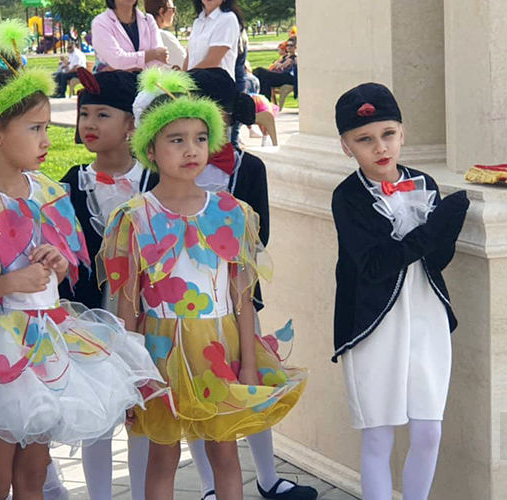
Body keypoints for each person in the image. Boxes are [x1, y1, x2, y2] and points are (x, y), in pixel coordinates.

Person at [0, 17, 161, 498]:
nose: (46, 138)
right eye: (35, 128)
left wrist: (56, 263)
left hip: (47, 346)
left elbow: (59, 272)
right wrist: (7, 284)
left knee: (33, 474)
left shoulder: (49, 195)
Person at [100, 67, 307, 499]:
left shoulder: (231, 212)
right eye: (176, 140)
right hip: (160, 351)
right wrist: (131, 371)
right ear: (150, 149)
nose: (191, 149)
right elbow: (127, 303)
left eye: (199, 138)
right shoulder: (135, 217)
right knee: (163, 455)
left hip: (219, 346)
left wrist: (247, 362)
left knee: (225, 451)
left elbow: (242, 297)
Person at [331, 83, 470, 500]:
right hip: (372, 323)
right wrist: (432, 229)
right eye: (365, 139)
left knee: (428, 432)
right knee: (379, 436)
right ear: (346, 146)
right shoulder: (348, 197)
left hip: (426, 314)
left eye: (388, 134)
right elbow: (375, 266)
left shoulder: (424, 182)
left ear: (402, 133)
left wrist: (446, 230)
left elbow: (436, 259)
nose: (380, 147)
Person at [187, 68, 316, 500]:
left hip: (238, 298)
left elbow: (261, 237)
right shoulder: (163, 171)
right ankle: (209, 486)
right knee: (196, 389)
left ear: (226, 116)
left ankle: (267, 476)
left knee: (252, 380)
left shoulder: (250, 168)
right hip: (183, 307)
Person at [59, 68, 158, 500]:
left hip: (147, 317)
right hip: (89, 320)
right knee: (95, 417)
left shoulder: (155, 183)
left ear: (132, 123)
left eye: (103, 115)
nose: (90, 124)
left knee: (143, 415)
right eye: (85, 114)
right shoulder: (68, 185)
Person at [91, 0, 168, 71]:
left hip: (148, 81)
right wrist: (151, 54)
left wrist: (125, 66)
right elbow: (117, 60)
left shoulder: (148, 20)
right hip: (115, 81)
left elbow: (160, 59)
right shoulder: (101, 23)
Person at [184, 0, 243, 80]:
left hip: (216, 84)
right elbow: (189, 58)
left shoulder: (227, 19)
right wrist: (181, 79)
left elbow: (212, 62)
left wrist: (185, 79)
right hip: (194, 83)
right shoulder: (197, 22)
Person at [144, 0, 187, 68]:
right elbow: (185, 64)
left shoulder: (141, 34)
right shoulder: (164, 36)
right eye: (173, 9)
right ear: (161, 12)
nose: (174, 13)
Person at [254, 37, 297, 102]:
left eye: (291, 45)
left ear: (295, 47)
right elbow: (276, 65)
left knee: (260, 71)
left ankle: (264, 101)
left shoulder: (294, 58)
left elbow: (280, 66)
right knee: (265, 81)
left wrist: (278, 64)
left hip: (287, 77)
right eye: (287, 45)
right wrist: (278, 64)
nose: (289, 47)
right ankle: (265, 101)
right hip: (280, 75)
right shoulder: (286, 57)